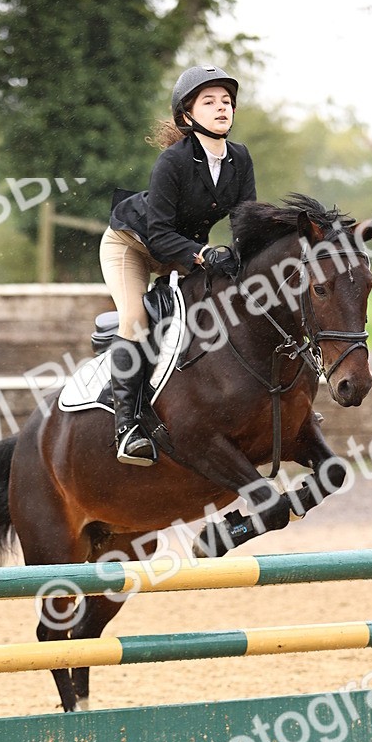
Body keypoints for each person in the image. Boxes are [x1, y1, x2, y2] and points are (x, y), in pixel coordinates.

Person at [100, 64, 257, 465]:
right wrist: (205, 254)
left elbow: (246, 219)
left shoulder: (239, 158)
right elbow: (159, 233)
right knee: (136, 319)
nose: (222, 108)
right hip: (133, 244)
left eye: (226, 101)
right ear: (187, 116)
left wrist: (247, 257)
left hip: (182, 247)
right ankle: (127, 425)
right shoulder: (173, 161)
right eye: (209, 102)